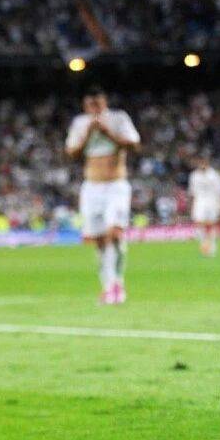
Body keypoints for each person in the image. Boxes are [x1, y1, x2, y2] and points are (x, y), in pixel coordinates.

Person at [65, 85, 141, 304]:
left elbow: (135, 146)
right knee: (99, 239)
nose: (94, 108)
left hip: (116, 185)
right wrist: (89, 133)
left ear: (104, 101)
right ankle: (108, 286)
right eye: (90, 104)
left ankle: (118, 282)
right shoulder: (80, 123)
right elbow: (72, 153)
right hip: (92, 187)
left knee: (115, 233)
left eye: (97, 103)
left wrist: (108, 133)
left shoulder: (118, 119)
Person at [188, 156, 220, 257]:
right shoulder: (194, 176)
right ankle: (204, 244)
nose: (202, 164)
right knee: (199, 222)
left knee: (211, 223)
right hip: (199, 201)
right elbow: (192, 192)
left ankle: (212, 245)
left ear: (207, 163)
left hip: (212, 201)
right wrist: (191, 206)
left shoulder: (215, 175)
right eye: (200, 162)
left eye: (203, 162)